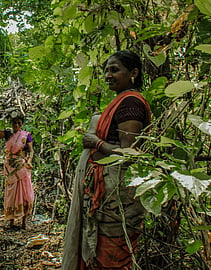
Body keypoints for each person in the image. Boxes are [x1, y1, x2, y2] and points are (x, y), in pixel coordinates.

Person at [62, 50, 151, 269]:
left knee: (110, 254)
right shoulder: (122, 102)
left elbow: (129, 154)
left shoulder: (131, 103)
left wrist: (96, 143)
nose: (108, 75)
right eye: (106, 71)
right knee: (100, 249)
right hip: (106, 195)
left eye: (115, 70)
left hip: (115, 198)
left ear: (133, 73)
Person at [0, 113, 35, 229]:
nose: (16, 125)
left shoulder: (26, 135)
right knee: (11, 193)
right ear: (11, 124)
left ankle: (23, 223)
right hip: (10, 167)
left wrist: (29, 161)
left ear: (22, 124)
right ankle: (11, 221)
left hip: (21, 166)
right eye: (14, 123)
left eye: (19, 123)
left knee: (25, 194)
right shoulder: (8, 135)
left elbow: (31, 151)